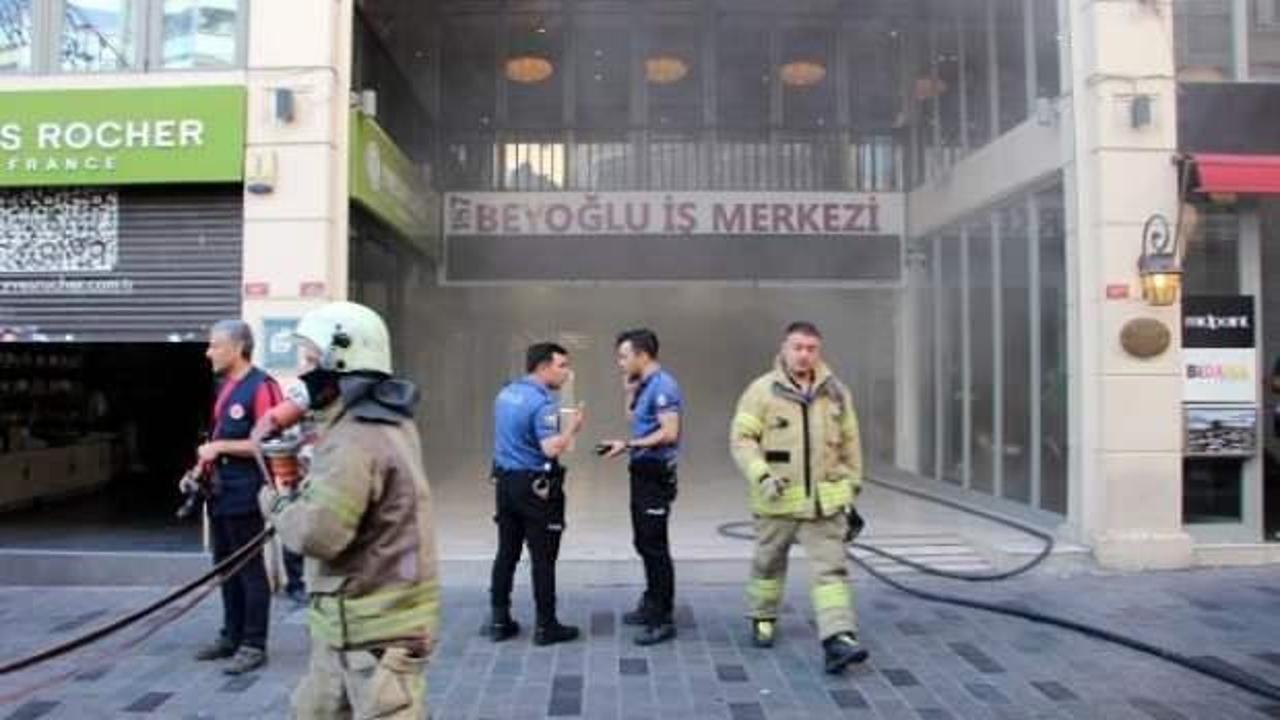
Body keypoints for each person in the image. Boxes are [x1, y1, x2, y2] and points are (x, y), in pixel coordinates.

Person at [261, 301, 440, 719]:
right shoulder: (384, 421)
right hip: (347, 625)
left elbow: (317, 534)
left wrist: (275, 502)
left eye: (310, 361)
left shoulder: (355, 437)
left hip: (374, 631)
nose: (301, 374)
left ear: (340, 362)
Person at [729, 321, 869, 674]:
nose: (804, 355)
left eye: (811, 348)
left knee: (831, 572)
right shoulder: (761, 391)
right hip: (776, 500)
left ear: (818, 351)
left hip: (825, 504)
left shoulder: (837, 392)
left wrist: (852, 484)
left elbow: (851, 443)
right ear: (784, 348)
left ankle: (838, 638)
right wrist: (761, 475)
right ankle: (762, 616)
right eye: (798, 347)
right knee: (767, 564)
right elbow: (742, 440)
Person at [189, 320, 282, 675]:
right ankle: (231, 636)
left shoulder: (263, 387)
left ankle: (254, 644)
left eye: (215, 345)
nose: (208, 352)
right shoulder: (227, 387)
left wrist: (220, 447)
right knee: (226, 568)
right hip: (220, 493)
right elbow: (216, 438)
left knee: (249, 570)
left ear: (238, 348)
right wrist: (198, 469)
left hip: (247, 493)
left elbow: (268, 443)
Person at [486, 342, 585, 646]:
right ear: (543, 367)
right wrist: (573, 427)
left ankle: (499, 621)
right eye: (562, 366)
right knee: (543, 558)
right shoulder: (543, 404)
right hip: (535, 488)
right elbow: (551, 448)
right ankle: (546, 626)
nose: (567, 372)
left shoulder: (506, 394)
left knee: (507, 552)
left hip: (506, 484)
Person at [599, 329, 682, 646]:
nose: (620, 362)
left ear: (642, 355)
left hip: (655, 473)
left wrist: (628, 445)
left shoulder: (664, 386)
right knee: (644, 541)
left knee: (655, 546)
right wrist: (628, 391)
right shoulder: (644, 384)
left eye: (624, 356)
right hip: (641, 471)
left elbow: (669, 432)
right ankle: (651, 603)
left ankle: (663, 617)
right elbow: (634, 418)